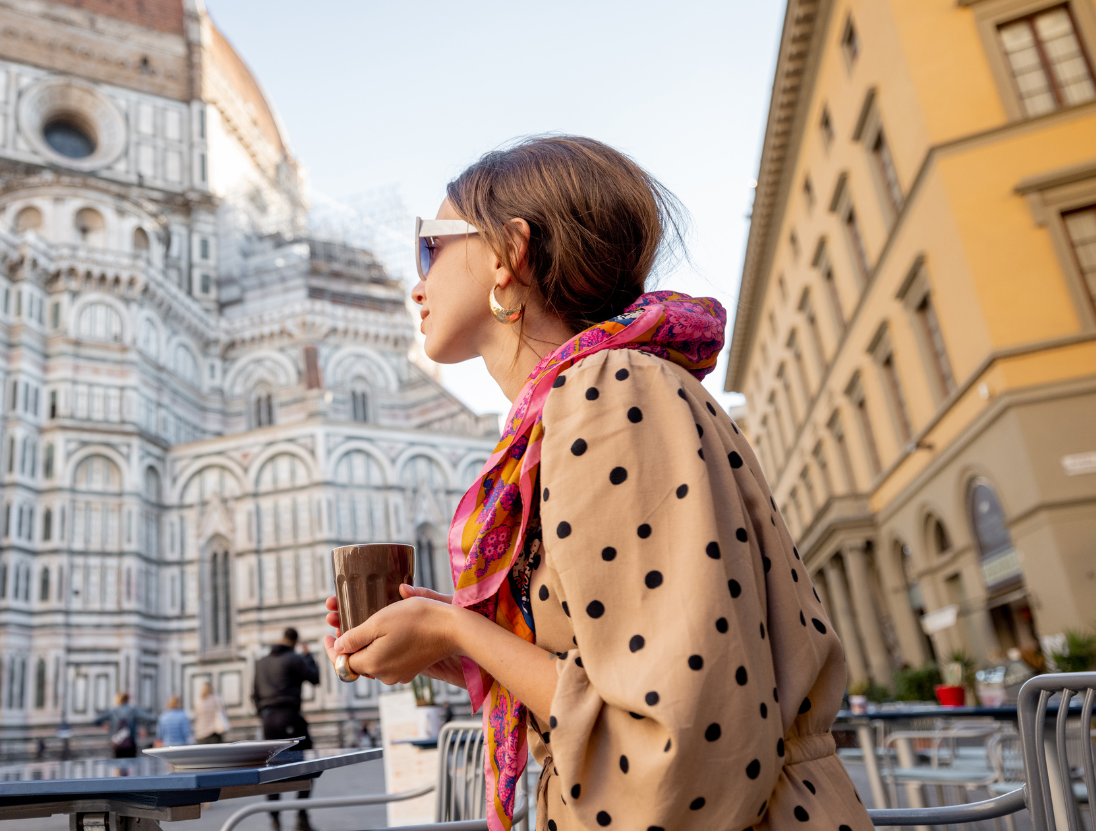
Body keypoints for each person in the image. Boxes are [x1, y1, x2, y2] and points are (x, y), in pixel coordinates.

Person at [324, 136, 873, 831]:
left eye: (430, 246)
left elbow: (676, 748)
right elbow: (610, 681)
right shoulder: (585, 402)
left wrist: (454, 627)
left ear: (507, 253)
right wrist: (449, 643)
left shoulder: (609, 392)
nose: (416, 283)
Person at [253, 628, 319, 831]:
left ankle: (275, 821)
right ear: (295, 642)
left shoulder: (261, 663)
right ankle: (301, 816)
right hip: (290, 717)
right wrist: (308, 656)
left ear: (281, 639)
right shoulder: (295, 658)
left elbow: (254, 695)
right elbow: (315, 677)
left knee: (272, 769)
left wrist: (264, 715)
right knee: (309, 765)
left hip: (268, 721)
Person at [94, 692, 154, 759]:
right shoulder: (133, 710)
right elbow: (150, 718)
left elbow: (96, 720)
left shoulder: (113, 711)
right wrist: (145, 728)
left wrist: (104, 724)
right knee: (131, 762)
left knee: (117, 762)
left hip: (116, 742)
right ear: (128, 699)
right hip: (131, 742)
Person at [193, 680, 229, 744]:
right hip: (214, 733)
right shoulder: (217, 699)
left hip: (200, 733)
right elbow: (223, 711)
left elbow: (196, 716)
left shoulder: (198, 702)